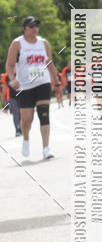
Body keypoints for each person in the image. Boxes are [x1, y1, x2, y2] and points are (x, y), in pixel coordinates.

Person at [5, 16, 58, 159]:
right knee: (27, 118)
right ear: (24, 29)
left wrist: (55, 79)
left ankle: (46, 149)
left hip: (43, 82)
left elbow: (49, 62)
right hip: (26, 86)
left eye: (37, 26)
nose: (35, 29)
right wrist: (12, 79)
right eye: (31, 26)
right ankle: (26, 139)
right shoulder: (17, 44)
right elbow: (10, 65)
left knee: (44, 113)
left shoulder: (43, 43)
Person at [1, 71, 21, 135]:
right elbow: (4, 90)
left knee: (22, 112)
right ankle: (17, 129)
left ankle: (22, 128)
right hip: (12, 97)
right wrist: (4, 104)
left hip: (22, 95)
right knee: (16, 113)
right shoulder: (6, 76)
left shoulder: (20, 72)